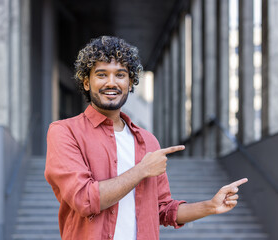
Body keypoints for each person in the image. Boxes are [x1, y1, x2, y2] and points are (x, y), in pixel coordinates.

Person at [44, 36, 248, 240]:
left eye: (120, 75)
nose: (111, 82)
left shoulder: (148, 141)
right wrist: (142, 170)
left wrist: (210, 206)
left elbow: (163, 209)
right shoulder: (64, 132)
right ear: (87, 82)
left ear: (130, 82)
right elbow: (84, 199)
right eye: (102, 74)